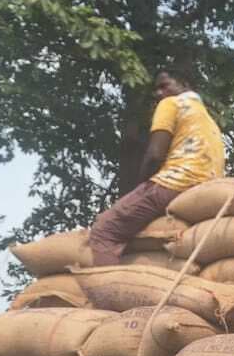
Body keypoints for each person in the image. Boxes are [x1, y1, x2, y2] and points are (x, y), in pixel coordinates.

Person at [87, 69, 226, 267]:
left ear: (184, 85)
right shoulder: (207, 118)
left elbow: (155, 155)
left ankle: (112, 294)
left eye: (165, 86)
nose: (159, 93)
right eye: (157, 89)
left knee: (104, 230)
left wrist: (141, 187)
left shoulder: (171, 104)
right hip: (205, 188)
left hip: (175, 181)